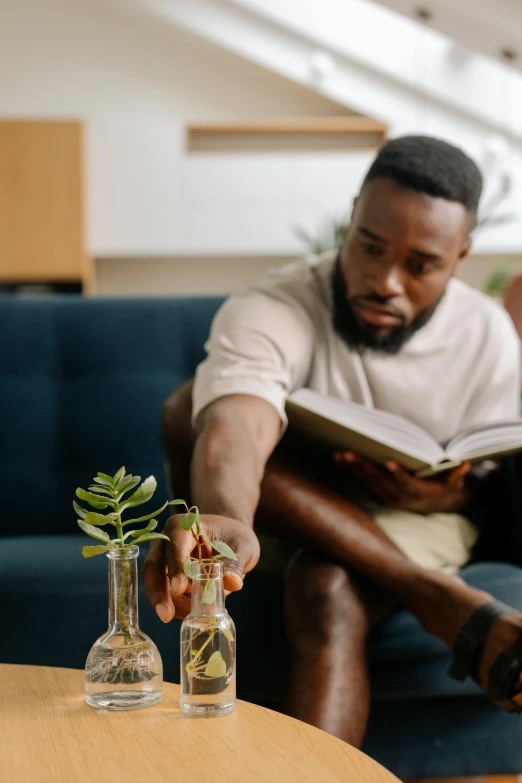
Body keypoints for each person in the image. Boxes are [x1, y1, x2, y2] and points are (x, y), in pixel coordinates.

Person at [143, 135, 522, 746]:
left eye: (421, 266)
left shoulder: (487, 335)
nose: (385, 281)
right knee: (188, 405)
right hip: (286, 504)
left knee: (328, 586)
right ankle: (441, 600)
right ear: (352, 218)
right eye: (369, 247)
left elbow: (485, 479)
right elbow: (236, 420)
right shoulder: (277, 303)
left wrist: (439, 499)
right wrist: (228, 515)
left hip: (416, 517)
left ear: (461, 255)